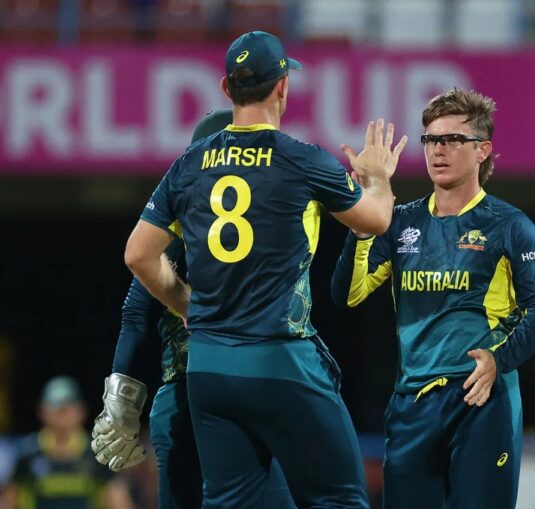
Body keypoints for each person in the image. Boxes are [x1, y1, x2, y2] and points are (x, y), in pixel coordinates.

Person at [122, 30, 407, 508]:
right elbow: (376, 221)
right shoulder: (300, 158)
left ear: (225, 88)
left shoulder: (188, 164)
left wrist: (187, 305)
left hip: (209, 368)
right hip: (281, 361)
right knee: (338, 499)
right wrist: (378, 179)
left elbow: (138, 254)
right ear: (283, 87)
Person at [330, 88, 535, 508]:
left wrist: (498, 359)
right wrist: (363, 219)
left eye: (453, 139)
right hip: (412, 405)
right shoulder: (400, 223)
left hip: (480, 400)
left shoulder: (509, 226)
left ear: (482, 150)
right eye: (431, 139)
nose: (438, 149)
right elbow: (347, 295)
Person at [90, 109, 295, 509]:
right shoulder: (255, 219)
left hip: (207, 392)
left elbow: (136, 311)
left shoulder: (186, 219)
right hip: (222, 391)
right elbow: (137, 308)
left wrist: (122, 399)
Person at [2, 376, 134, 509]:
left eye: (68, 407)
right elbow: (10, 500)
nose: (62, 414)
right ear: (42, 412)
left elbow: (118, 499)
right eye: (56, 408)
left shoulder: (99, 453)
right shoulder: (27, 453)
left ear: (81, 412)